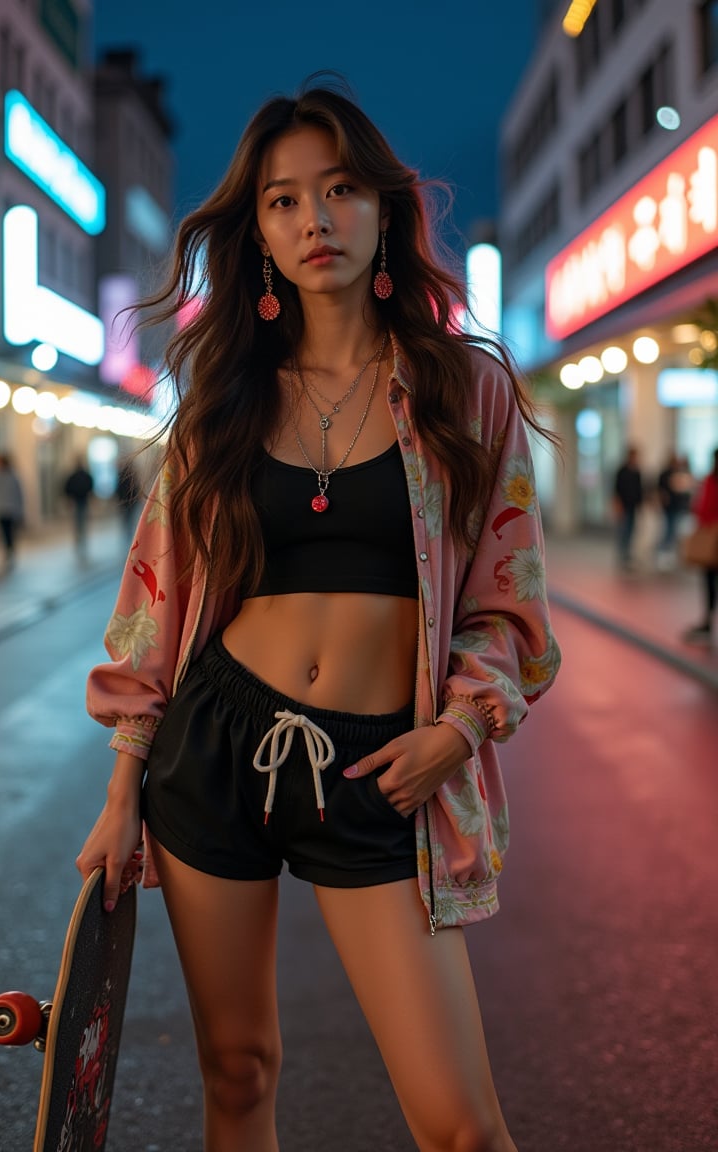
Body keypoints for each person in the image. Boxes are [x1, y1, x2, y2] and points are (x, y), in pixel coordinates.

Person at [77, 79, 561, 1152]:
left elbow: (509, 595)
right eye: (284, 200)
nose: (314, 221)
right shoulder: (223, 394)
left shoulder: (460, 388)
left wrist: (461, 726)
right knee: (238, 1073)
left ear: (383, 209)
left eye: (339, 191)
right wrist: (123, 786)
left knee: (462, 1127)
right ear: (256, 228)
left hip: (381, 767)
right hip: (212, 751)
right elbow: (153, 595)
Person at [682, 446, 718, 645]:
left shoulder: (712, 480)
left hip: (712, 539)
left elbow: (703, 507)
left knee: (710, 582)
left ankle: (708, 622)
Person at [655, 451, 693, 565]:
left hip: (678, 506)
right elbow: (660, 489)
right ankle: (663, 554)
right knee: (668, 530)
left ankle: (669, 555)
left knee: (675, 531)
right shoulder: (665, 474)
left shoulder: (680, 473)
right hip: (669, 507)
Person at [612, 444, 644, 570]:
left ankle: (628, 555)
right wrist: (618, 504)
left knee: (631, 531)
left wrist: (640, 504)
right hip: (624, 506)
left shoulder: (637, 472)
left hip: (633, 506)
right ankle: (623, 556)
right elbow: (617, 489)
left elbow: (639, 490)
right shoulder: (622, 471)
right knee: (624, 531)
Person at [63, 456, 94, 561]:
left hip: (79, 502)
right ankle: (80, 541)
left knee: (79, 523)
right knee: (80, 523)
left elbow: (67, 488)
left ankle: (80, 541)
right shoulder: (84, 475)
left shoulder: (76, 476)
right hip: (80, 501)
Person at [115, 455, 141, 542]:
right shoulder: (132, 475)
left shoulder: (121, 475)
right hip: (131, 501)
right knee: (130, 519)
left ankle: (128, 535)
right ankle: (129, 535)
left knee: (126, 520)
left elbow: (118, 489)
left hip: (125, 502)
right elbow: (136, 489)